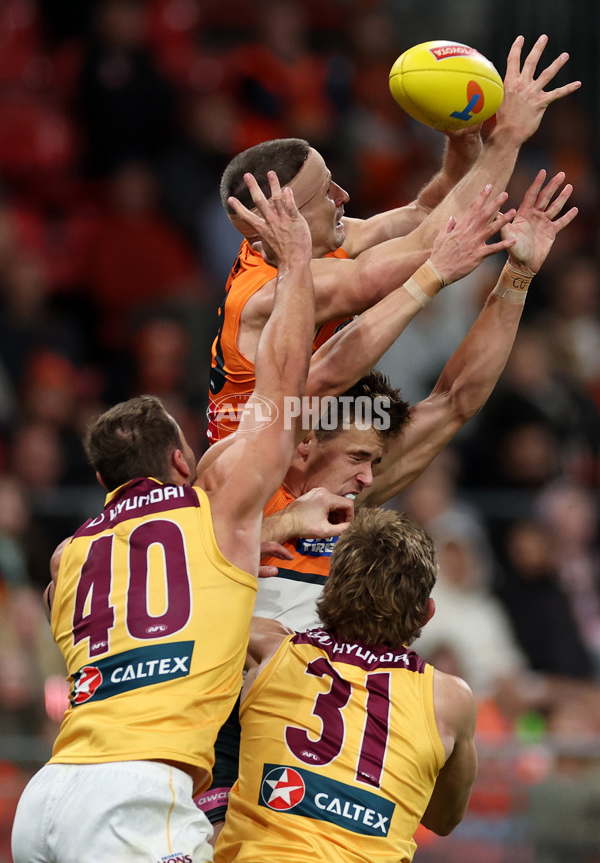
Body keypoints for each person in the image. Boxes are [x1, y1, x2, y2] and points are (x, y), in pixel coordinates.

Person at [198, 166, 578, 835]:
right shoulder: (239, 481)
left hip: (318, 757)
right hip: (225, 743)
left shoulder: (349, 496)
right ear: (305, 440)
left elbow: (455, 401)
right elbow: (309, 371)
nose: (371, 479)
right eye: (358, 458)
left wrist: (515, 277)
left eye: (375, 461)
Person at [11, 175, 317, 863]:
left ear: (99, 481)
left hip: (47, 794)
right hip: (140, 793)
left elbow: (155, 576)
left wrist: (278, 528)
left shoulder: (66, 556)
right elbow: (284, 385)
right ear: (184, 461)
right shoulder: (218, 510)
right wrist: (297, 262)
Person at [208, 34, 581, 442]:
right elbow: (432, 245)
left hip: (296, 441)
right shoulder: (267, 292)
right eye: (326, 194)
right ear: (285, 219)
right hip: (261, 486)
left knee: (441, 412)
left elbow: (423, 214)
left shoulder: (306, 243)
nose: (343, 197)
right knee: (441, 410)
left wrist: (465, 138)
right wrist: (507, 136)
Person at [214, 507, 478, 862]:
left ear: (330, 588)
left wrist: (275, 529)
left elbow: (191, 581)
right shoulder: (450, 699)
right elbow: (443, 819)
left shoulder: (267, 648)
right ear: (426, 612)